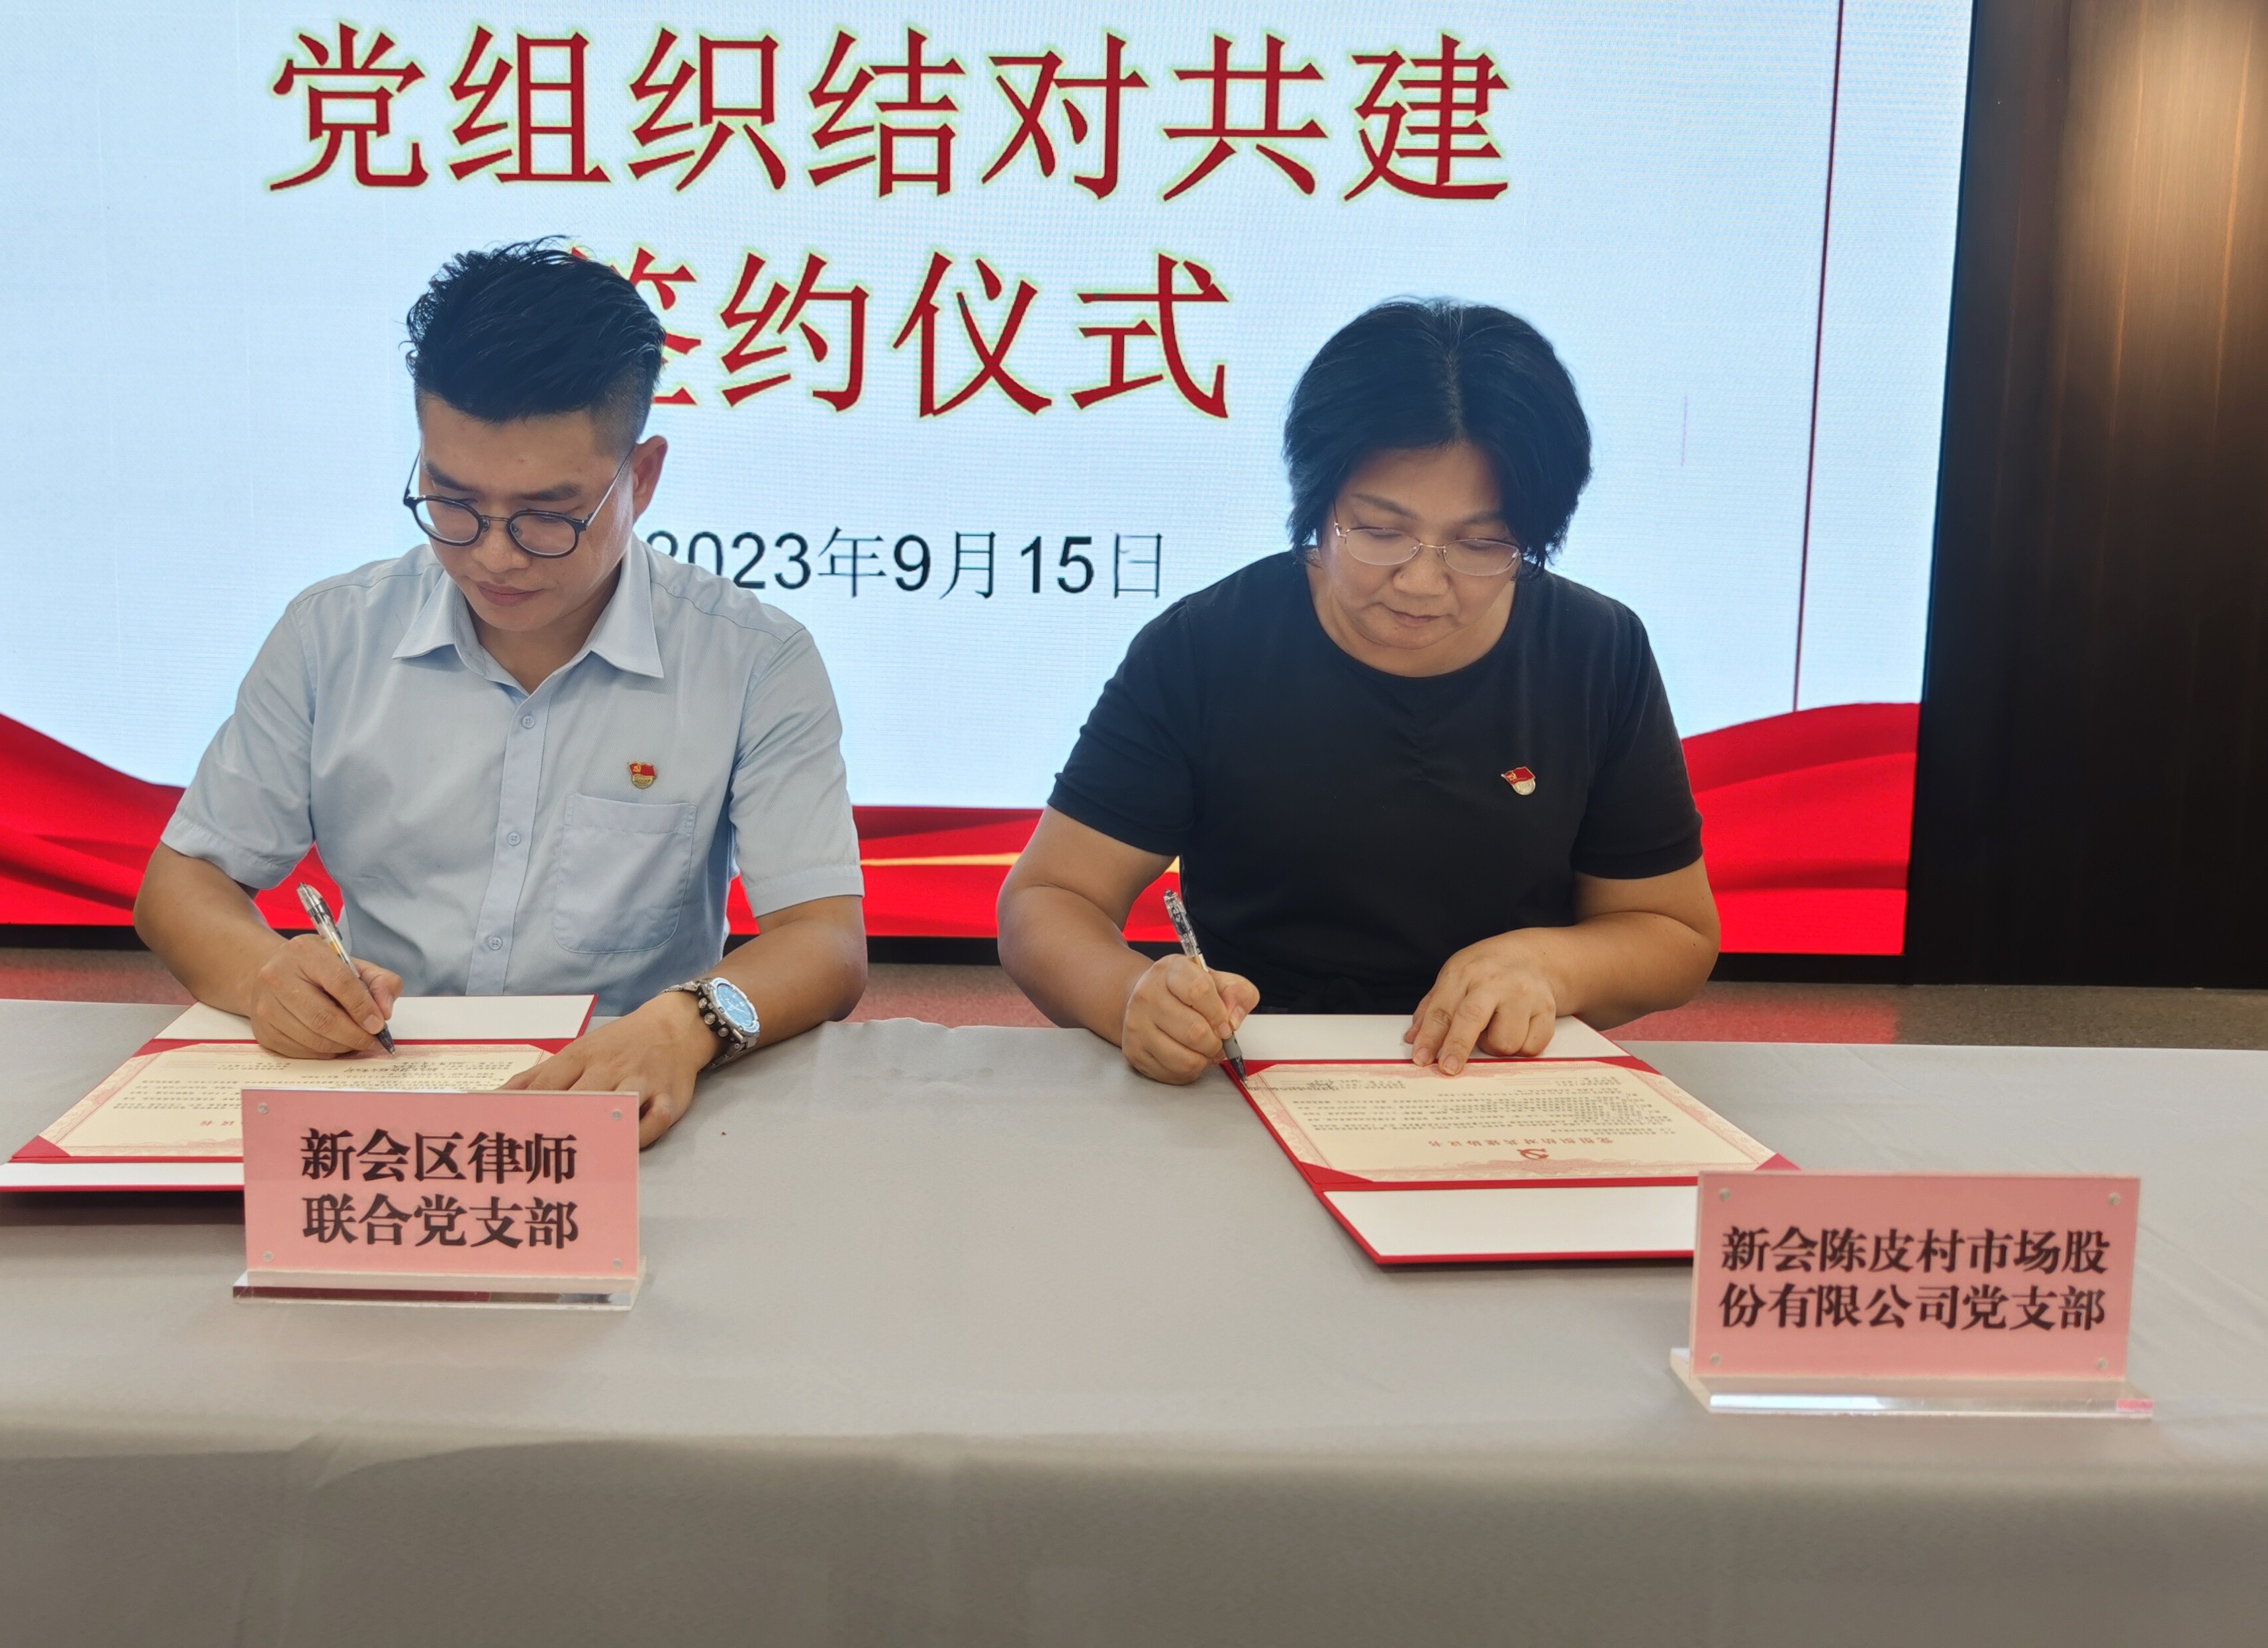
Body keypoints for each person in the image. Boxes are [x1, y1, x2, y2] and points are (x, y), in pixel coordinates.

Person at [135, 241, 867, 1144]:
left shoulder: (752, 660)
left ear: (640, 480)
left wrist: (691, 1024)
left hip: (620, 1100)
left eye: (546, 516)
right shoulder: (333, 634)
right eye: (452, 502)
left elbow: (826, 942)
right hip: (374, 1088)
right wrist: (267, 978)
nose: (492, 555)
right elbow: (183, 884)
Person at [999, 298, 1716, 1085]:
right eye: (1379, 532)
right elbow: (1047, 898)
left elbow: (1672, 933)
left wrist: (1553, 965)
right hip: (1253, 1074)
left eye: (1481, 543)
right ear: (1318, 501)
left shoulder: (1594, 651)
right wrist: (1127, 995)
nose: (1421, 581)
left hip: (1499, 1080)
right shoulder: (1207, 647)